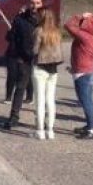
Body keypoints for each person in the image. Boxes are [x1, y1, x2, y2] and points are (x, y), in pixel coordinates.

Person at [0, 0, 43, 130]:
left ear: (41, 4)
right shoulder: (20, 19)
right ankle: (14, 117)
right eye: (32, 3)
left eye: (37, 3)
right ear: (28, 4)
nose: (35, 6)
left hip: (41, 60)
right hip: (24, 59)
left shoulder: (45, 19)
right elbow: (10, 37)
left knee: (41, 91)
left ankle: (42, 120)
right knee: (20, 89)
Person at [64, 12, 93, 140]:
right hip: (87, 71)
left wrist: (79, 16)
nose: (80, 25)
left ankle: (91, 130)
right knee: (88, 101)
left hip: (83, 74)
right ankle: (89, 125)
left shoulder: (85, 36)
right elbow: (81, 54)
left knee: (86, 102)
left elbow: (68, 25)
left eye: (82, 23)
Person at [30, 7, 64, 140]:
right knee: (51, 100)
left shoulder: (39, 31)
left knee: (39, 100)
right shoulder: (57, 32)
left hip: (40, 67)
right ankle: (50, 130)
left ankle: (39, 130)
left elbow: (34, 50)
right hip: (53, 69)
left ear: (41, 17)